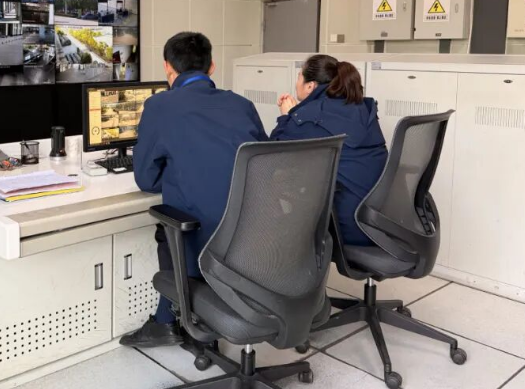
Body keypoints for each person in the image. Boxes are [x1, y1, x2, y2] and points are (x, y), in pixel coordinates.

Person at [120, 32, 268, 348]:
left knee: (168, 229)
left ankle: (166, 321)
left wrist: (177, 172)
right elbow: (263, 165)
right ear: (212, 67)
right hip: (252, 236)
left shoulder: (160, 106)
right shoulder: (242, 105)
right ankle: (181, 317)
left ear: (167, 68)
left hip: (200, 237)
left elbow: (146, 180)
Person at [270, 55, 388, 246]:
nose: (297, 82)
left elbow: (271, 157)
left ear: (310, 86)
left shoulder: (306, 117)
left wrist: (287, 117)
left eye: (299, 76)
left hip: (346, 227)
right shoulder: (362, 108)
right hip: (381, 224)